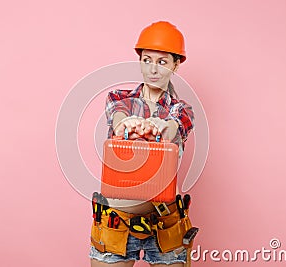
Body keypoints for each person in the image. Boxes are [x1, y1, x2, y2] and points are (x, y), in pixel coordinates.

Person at [90, 21, 195, 267]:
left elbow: (174, 127)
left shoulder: (182, 110)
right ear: (139, 61)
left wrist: (161, 126)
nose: (153, 70)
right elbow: (117, 118)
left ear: (176, 65)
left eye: (162, 62)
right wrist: (127, 123)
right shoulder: (120, 99)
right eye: (147, 60)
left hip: (165, 227)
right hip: (116, 224)